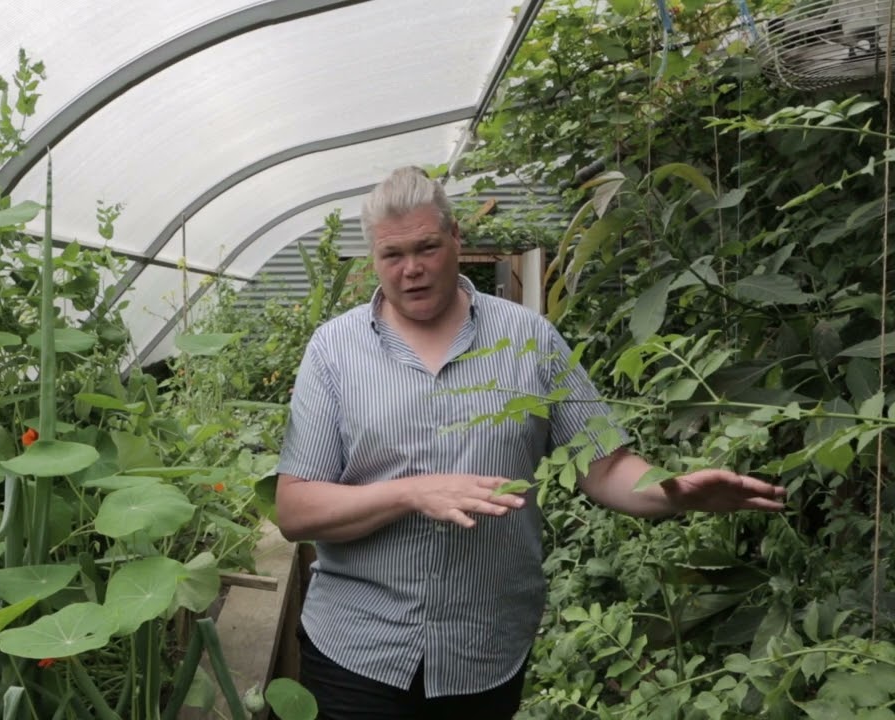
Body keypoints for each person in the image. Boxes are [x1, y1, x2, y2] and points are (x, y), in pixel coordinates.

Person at [273, 166, 786, 720]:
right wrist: (411, 492)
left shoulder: (529, 339)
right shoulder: (334, 350)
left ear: (456, 240)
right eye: (392, 255)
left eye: (427, 247)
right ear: (373, 258)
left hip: (484, 646)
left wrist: (674, 492)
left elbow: (603, 465)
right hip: (356, 648)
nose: (412, 269)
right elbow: (296, 508)